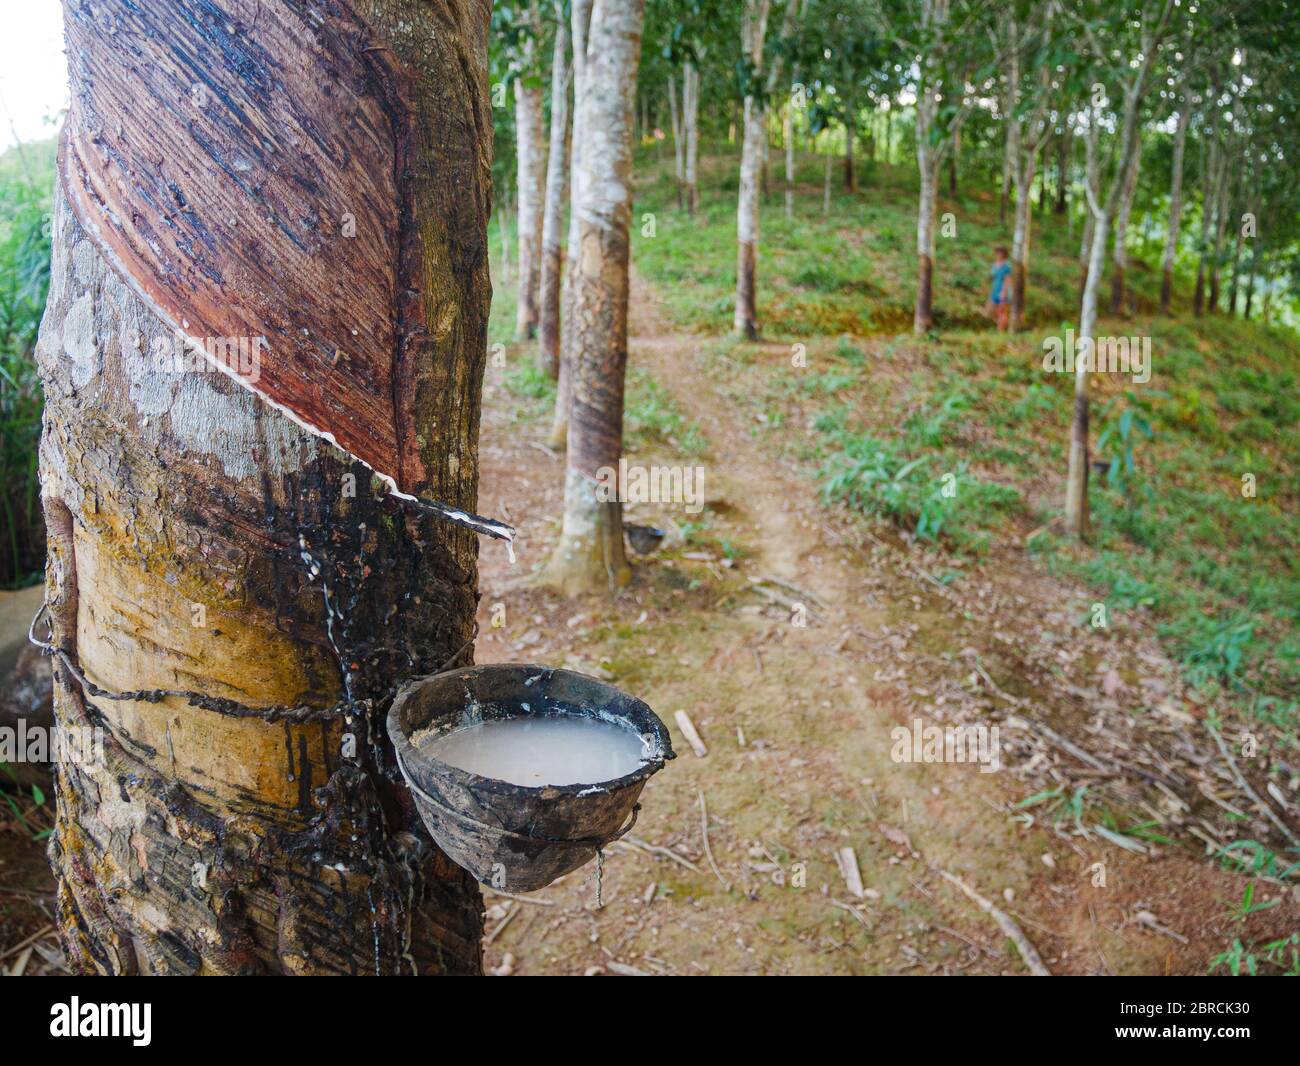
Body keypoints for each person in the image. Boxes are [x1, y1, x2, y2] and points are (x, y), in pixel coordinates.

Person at [988, 246, 1012, 331]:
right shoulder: (995, 265)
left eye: (1001, 253)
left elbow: (1007, 280)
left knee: (1002, 311)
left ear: (1004, 254)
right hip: (995, 289)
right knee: (991, 310)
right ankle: (1008, 324)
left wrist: (1004, 292)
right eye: (997, 252)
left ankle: (1000, 331)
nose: (999, 254)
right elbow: (993, 278)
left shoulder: (1006, 265)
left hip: (1003, 290)